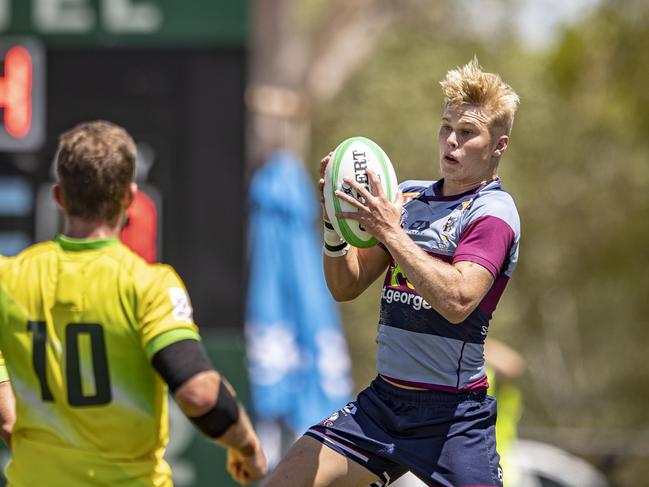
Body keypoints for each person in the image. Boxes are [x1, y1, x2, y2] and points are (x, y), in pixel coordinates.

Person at [264, 58, 521, 487]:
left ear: (499, 145)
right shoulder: (408, 198)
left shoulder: (493, 213)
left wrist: (389, 230)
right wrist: (334, 217)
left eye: (467, 133)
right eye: (446, 128)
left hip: (452, 418)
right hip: (382, 406)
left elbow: (458, 301)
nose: (451, 142)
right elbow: (345, 287)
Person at [0, 121, 267, 486]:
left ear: (59, 196)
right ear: (130, 197)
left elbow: (6, 414)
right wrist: (247, 443)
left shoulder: (8, 278)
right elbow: (200, 394)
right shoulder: (148, 285)